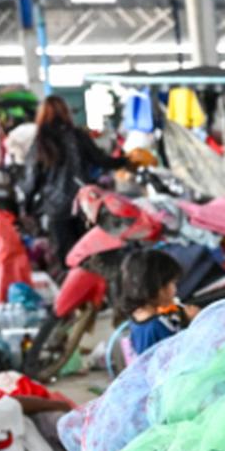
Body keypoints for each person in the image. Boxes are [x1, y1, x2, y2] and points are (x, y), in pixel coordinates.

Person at [20, 95, 125, 277]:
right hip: (85, 204)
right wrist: (127, 161)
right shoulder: (78, 136)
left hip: (55, 207)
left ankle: (74, 294)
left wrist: (26, 207)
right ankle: (94, 293)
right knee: (88, 251)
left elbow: (32, 179)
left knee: (66, 256)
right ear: (66, 113)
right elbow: (102, 161)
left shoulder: (40, 141)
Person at [117, 248, 194, 359]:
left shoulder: (136, 318)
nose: (175, 289)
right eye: (173, 283)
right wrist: (190, 321)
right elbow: (181, 355)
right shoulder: (157, 326)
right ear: (158, 288)